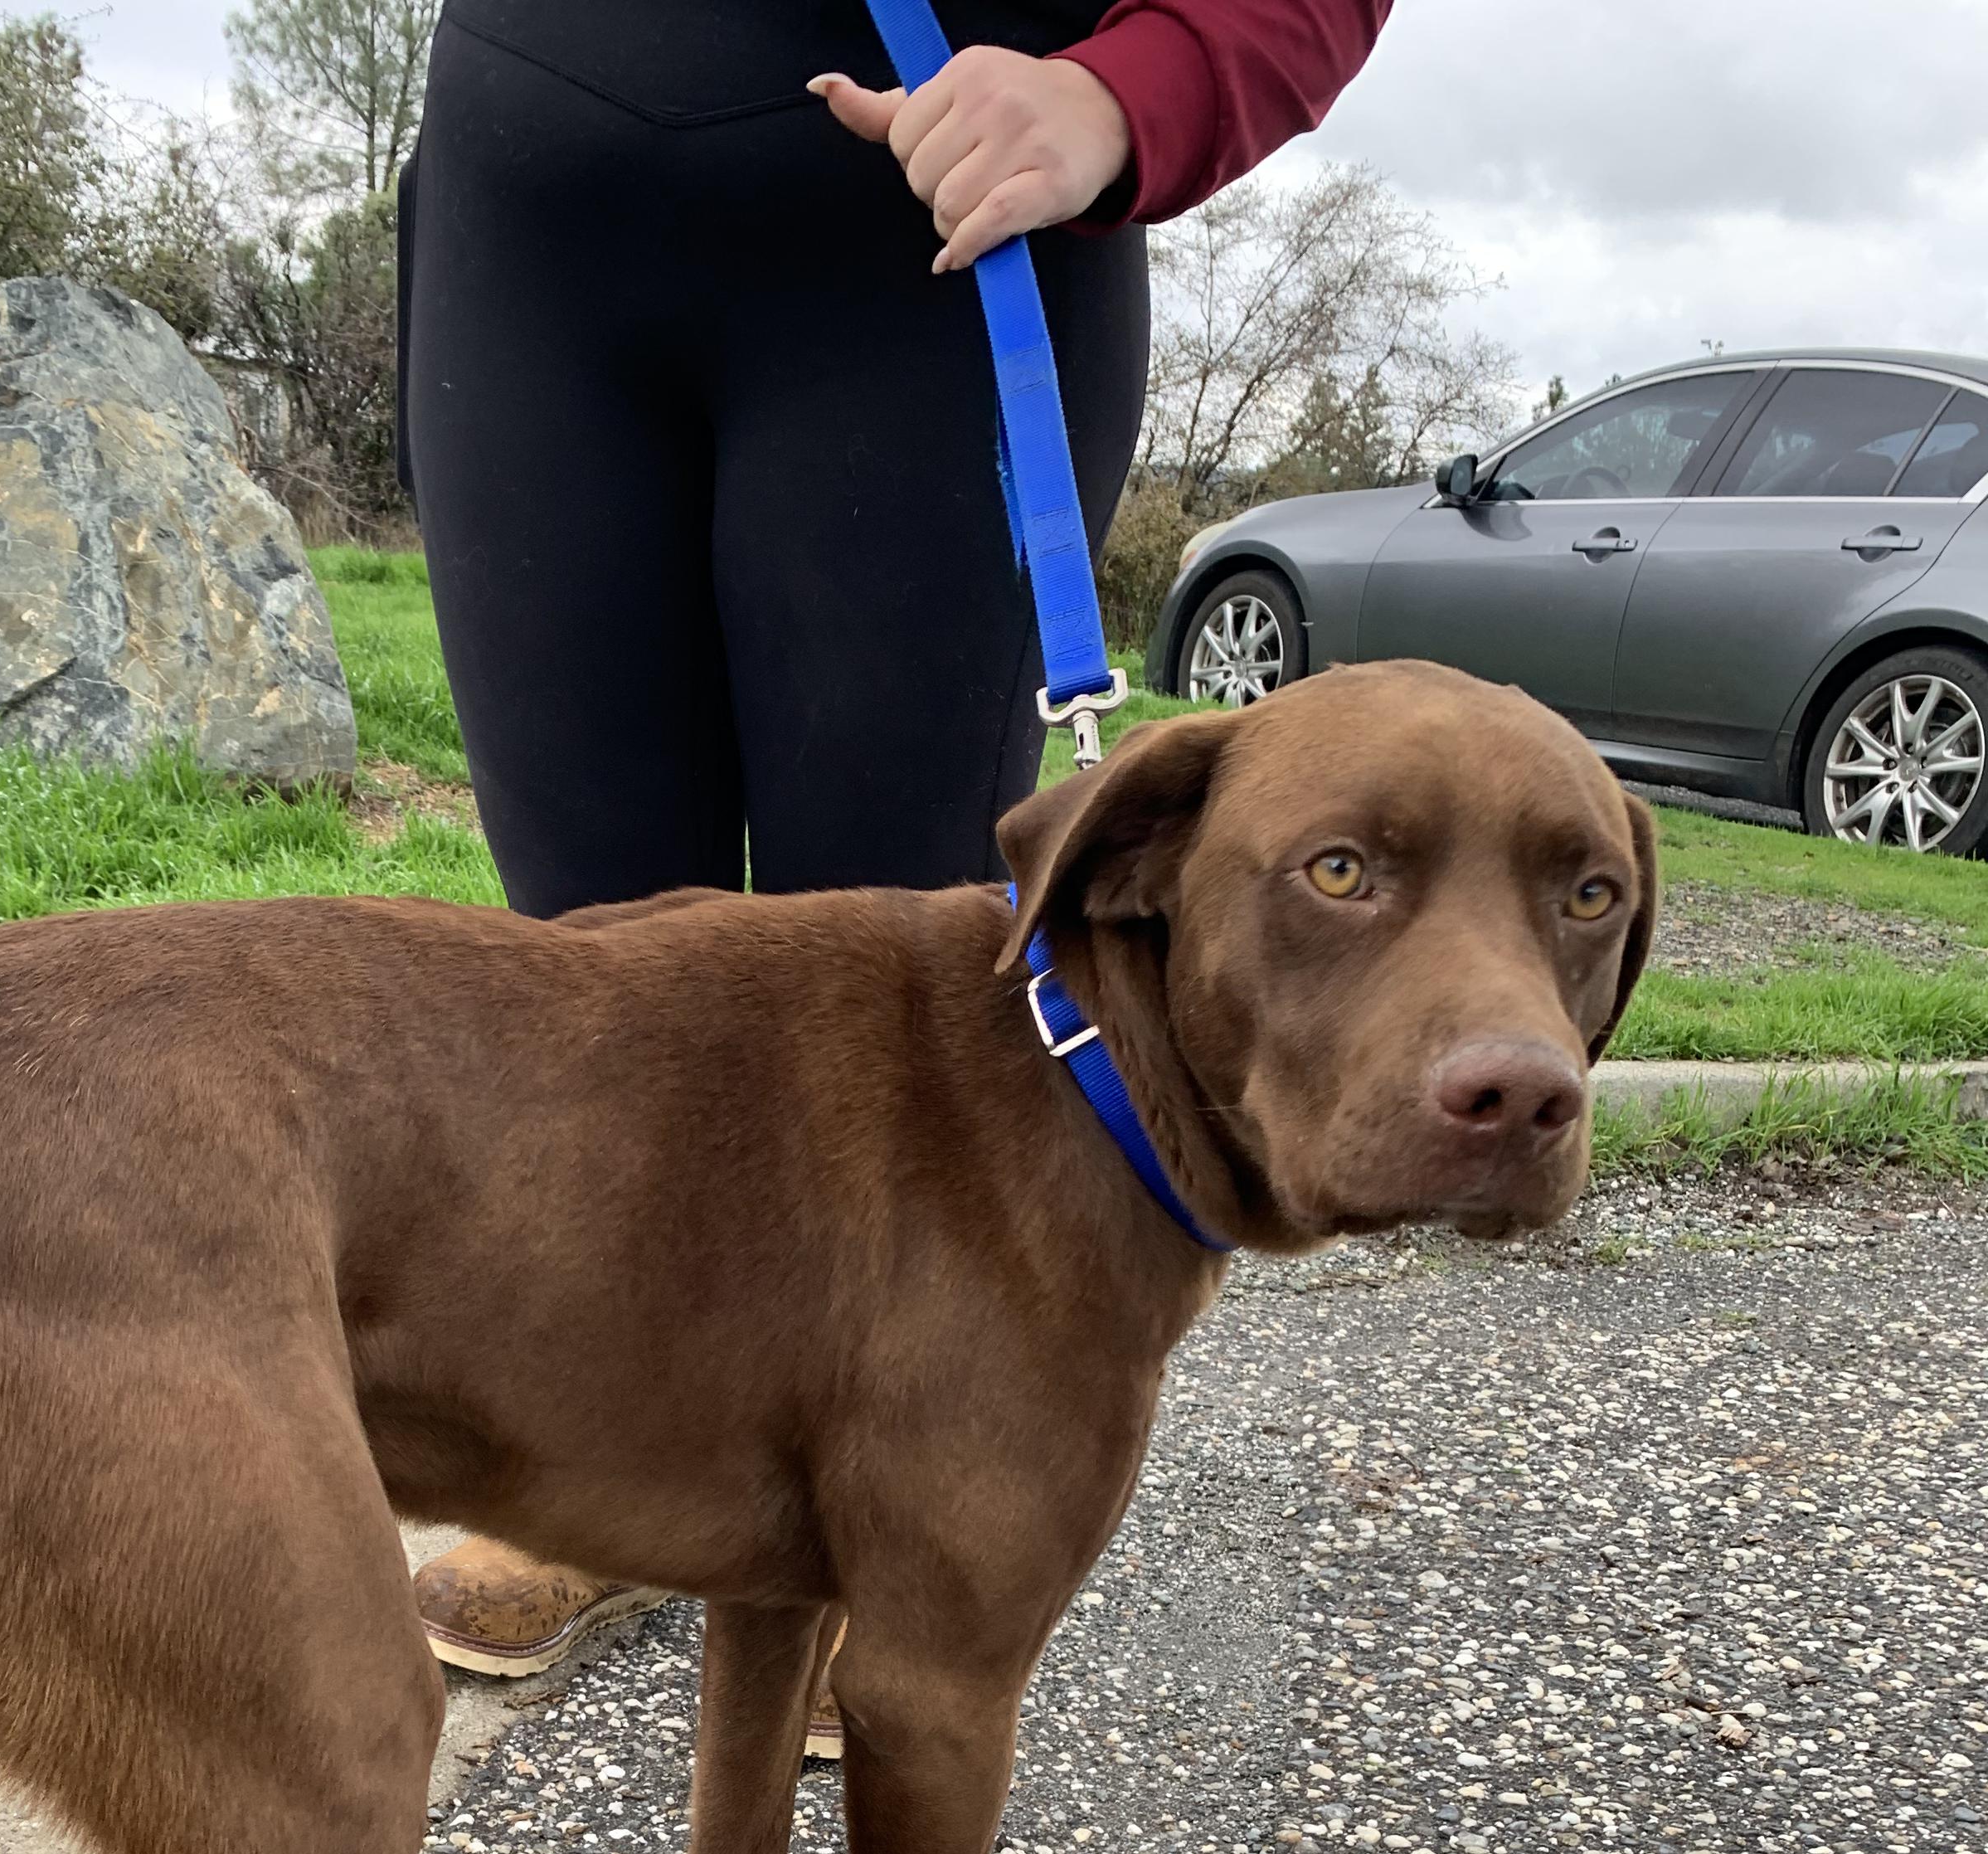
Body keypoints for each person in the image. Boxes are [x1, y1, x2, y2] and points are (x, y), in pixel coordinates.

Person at [399, 1, 1390, 1708]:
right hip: (531, 210)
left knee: (897, 995)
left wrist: (1125, 92)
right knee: (587, 965)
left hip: (940, 232)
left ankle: (895, 1492)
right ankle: (615, 1452)